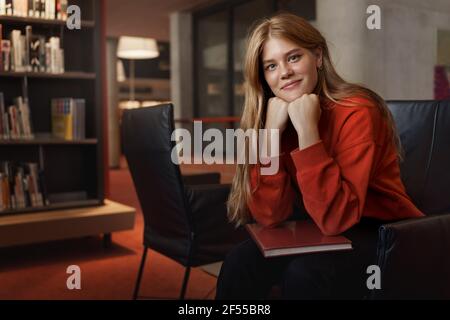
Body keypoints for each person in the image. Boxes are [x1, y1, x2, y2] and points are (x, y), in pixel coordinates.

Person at [216, 12, 424, 300]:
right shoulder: (274, 118)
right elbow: (269, 216)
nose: (284, 72)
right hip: (316, 225)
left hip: (379, 231)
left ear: (318, 56)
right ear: (263, 78)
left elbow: (338, 219)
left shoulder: (357, 109)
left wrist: (308, 131)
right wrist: (272, 137)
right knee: (239, 262)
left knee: (305, 274)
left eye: (293, 57)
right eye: (271, 66)